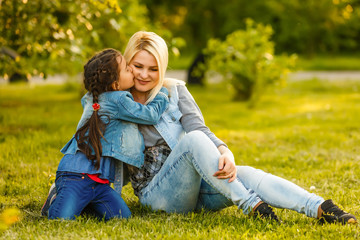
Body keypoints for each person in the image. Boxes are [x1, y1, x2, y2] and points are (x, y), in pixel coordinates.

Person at [117, 31, 357, 224]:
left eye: (154, 68)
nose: (145, 75)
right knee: (193, 141)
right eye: (138, 66)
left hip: (194, 191)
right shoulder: (114, 102)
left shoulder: (174, 90)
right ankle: (250, 204)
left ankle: (320, 207)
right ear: (127, 63)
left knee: (246, 173)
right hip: (158, 197)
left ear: (163, 67)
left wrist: (224, 151)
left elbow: (199, 128)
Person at [43, 48, 169, 221]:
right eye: (126, 68)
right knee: (61, 219)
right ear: (115, 85)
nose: (131, 70)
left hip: (100, 183)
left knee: (121, 217)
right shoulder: (118, 100)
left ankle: (82, 202)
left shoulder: (96, 98)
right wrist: (161, 93)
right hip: (76, 176)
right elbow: (150, 115)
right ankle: (56, 198)